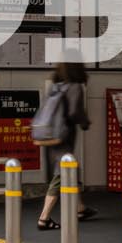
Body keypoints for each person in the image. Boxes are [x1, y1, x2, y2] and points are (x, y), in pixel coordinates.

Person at [29, 62, 93, 231]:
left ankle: (80, 209)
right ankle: (44, 218)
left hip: (50, 135)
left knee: (71, 170)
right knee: (61, 173)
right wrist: (85, 123)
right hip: (63, 136)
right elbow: (74, 112)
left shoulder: (56, 86)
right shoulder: (75, 87)